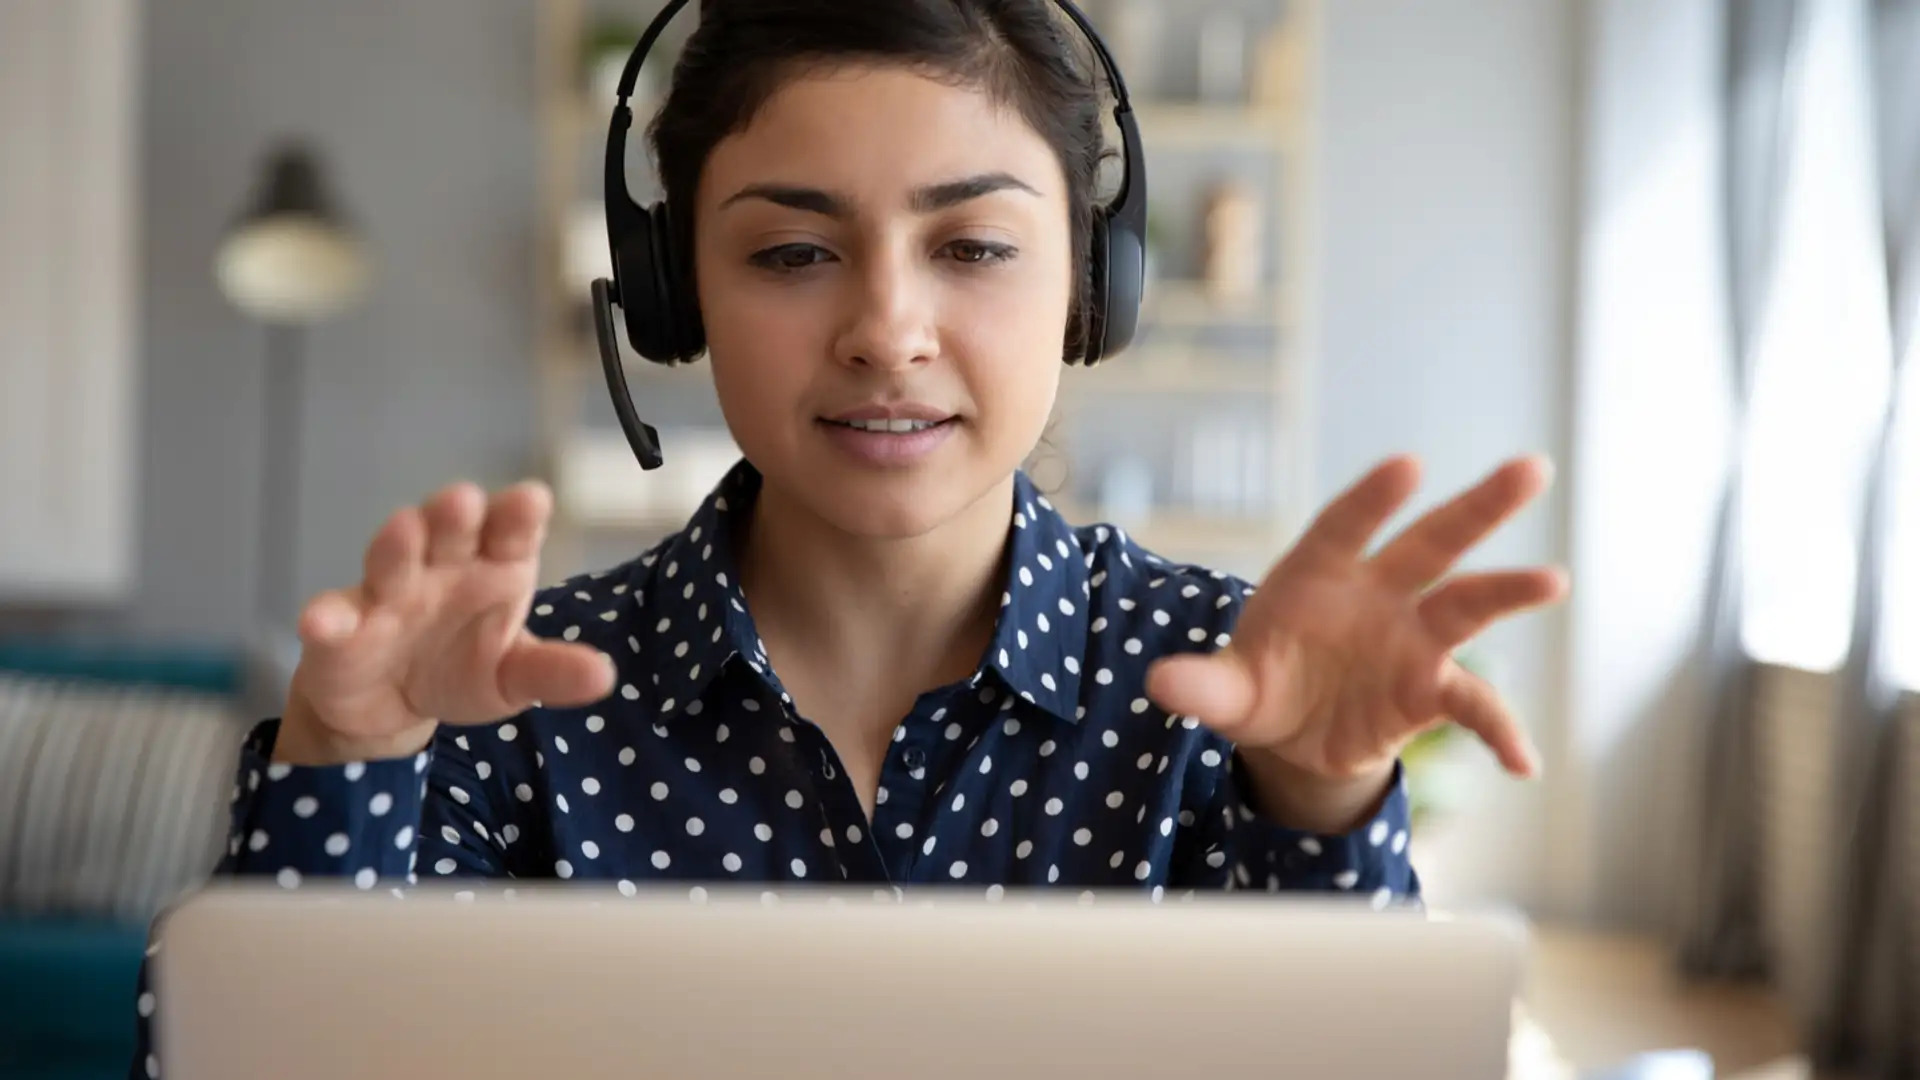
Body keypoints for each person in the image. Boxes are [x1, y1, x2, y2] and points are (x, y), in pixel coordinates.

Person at [126, 0, 1566, 1076]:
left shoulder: (1222, 684)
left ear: (1091, 288)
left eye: (975, 246)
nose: (886, 329)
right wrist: (344, 768)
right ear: (672, 295)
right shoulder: (510, 694)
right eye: (793, 251)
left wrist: (1316, 803)